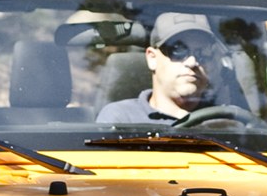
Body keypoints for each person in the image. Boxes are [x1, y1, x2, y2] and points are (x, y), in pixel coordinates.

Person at [96, 12, 234, 125]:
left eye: (203, 52)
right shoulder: (121, 119)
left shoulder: (227, 121)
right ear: (152, 58)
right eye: (178, 50)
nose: (192, 62)